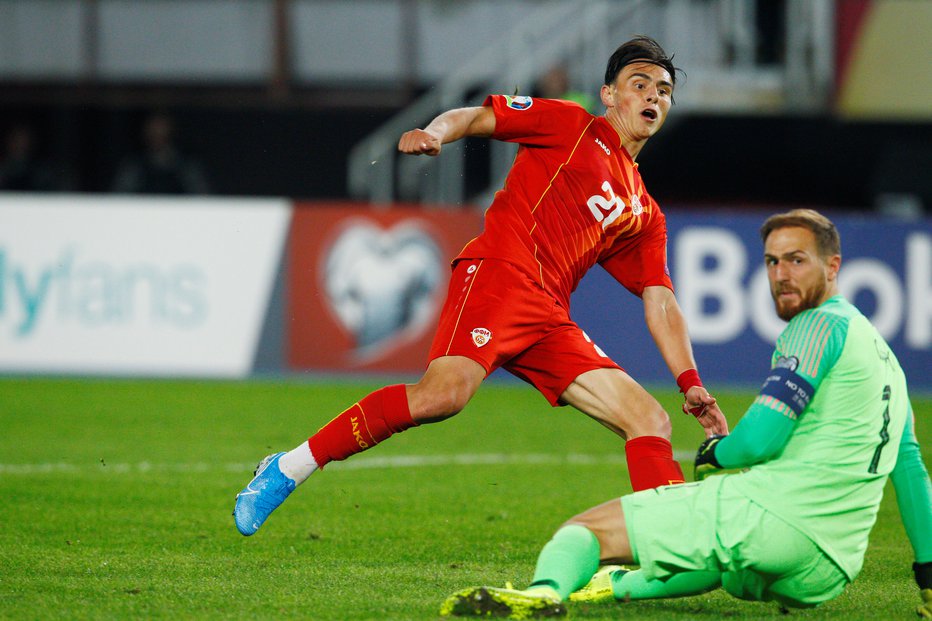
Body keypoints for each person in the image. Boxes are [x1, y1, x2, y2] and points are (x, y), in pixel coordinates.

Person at [233, 36, 728, 537]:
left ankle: (670, 550)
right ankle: (288, 468)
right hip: (499, 275)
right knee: (441, 397)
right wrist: (433, 131)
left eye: (663, 90)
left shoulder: (644, 210)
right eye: (638, 85)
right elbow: (475, 117)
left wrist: (691, 383)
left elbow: (660, 299)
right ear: (608, 95)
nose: (652, 97)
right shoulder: (570, 125)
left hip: (548, 315)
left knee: (649, 419)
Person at [440, 209, 932, 619]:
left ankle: (542, 595)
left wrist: (717, 453)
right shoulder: (883, 356)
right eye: (772, 262)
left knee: (584, 531)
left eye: (797, 260)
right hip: (830, 567)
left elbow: (760, 443)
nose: (781, 274)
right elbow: (910, 471)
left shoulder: (815, 327)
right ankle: (618, 588)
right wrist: (928, 574)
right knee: (718, 555)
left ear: (833, 266)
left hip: (775, 522)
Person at [111, 112, 209, 195]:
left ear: (170, 132)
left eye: (161, 131)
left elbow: (202, 197)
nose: (157, 136)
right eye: (153, 132)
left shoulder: (186, 165)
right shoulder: (135, 165)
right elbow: (119, 197)